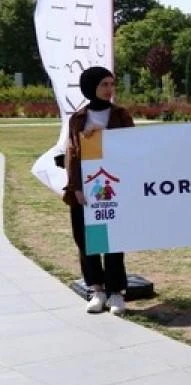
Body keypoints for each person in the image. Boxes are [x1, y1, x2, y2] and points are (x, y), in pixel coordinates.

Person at [62, 66, 134, 315]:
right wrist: (76, 188)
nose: (109, 89)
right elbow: (72, 154)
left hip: (114, 188)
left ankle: (116, 292)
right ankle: (97, 290)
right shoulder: (79, 118)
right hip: (85, 191)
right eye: (104, 84)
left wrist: (103, 135)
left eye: (112, 84)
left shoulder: (120, 114)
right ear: (91, 86)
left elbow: (132, 146)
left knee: (113, 239)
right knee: (88, 240)